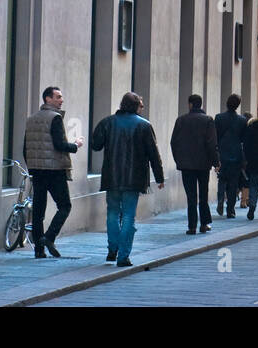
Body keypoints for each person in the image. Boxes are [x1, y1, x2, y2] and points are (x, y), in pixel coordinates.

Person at [89, 92, 164, 267]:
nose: (143, 108)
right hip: (134, 178)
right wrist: (159, 177)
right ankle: (123, 256)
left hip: (112, 176)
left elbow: (96, 145)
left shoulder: (107, 122)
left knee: (113, 213)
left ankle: (112, 249)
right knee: (129, 215)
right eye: (141, 105)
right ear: (135, 106)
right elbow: (154, 154)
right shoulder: (144, 125)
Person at [23, 86, 83, 259]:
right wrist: (76, 145)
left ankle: (38, 251)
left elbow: (25, 147)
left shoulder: (31, 119)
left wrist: (32, 166)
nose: (61, 99)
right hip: (54, 170)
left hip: (37, 170)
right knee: (65, 206)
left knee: (38, 211)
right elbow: (59, 144)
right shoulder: (55, 118)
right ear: (47, 99)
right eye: (58, 97)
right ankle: (49, 237)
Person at [171, 94, 220, 234]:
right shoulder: (208, 120)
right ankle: (204, 224)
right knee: (203, 195)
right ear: (201, 104)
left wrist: (179, 160)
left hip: (186, 165)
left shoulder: (181, 120)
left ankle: (191, 226)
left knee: (191, 196)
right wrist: (215, 162)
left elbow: (174, 142)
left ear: (190, 104)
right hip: (203, 164)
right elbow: (212, 144)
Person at [214, 94, 248, 218]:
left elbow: (215, 137)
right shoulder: (242, 120)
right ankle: (231, 209)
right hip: (236, 154)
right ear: (238, 105)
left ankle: (220, 199)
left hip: (222, 153)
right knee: (233, 182)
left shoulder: (218, 118)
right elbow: (244, 139)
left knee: (221, 179)